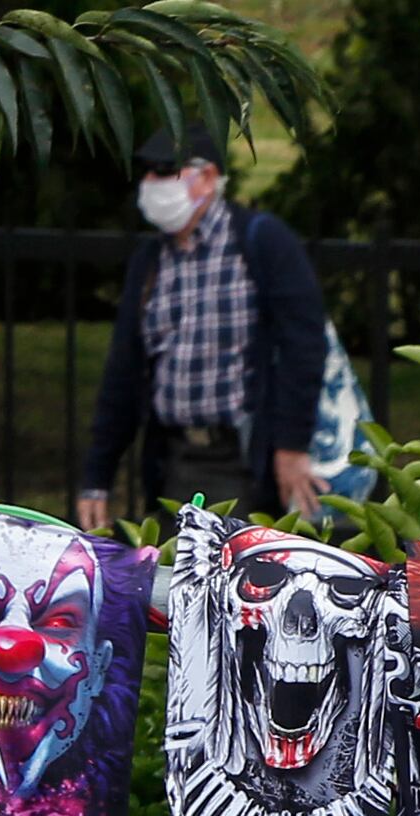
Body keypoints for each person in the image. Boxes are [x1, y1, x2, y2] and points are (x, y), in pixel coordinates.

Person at [78, 130, 329, 534]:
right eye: (148, 173)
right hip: (174, 458)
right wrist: (97, 476)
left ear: (208, 178)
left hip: (244, 459)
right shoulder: (152, 260)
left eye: (165, 172)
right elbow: (124, 372)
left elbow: (304, 347)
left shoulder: (260, 242)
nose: (151, 185)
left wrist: (290, 445)